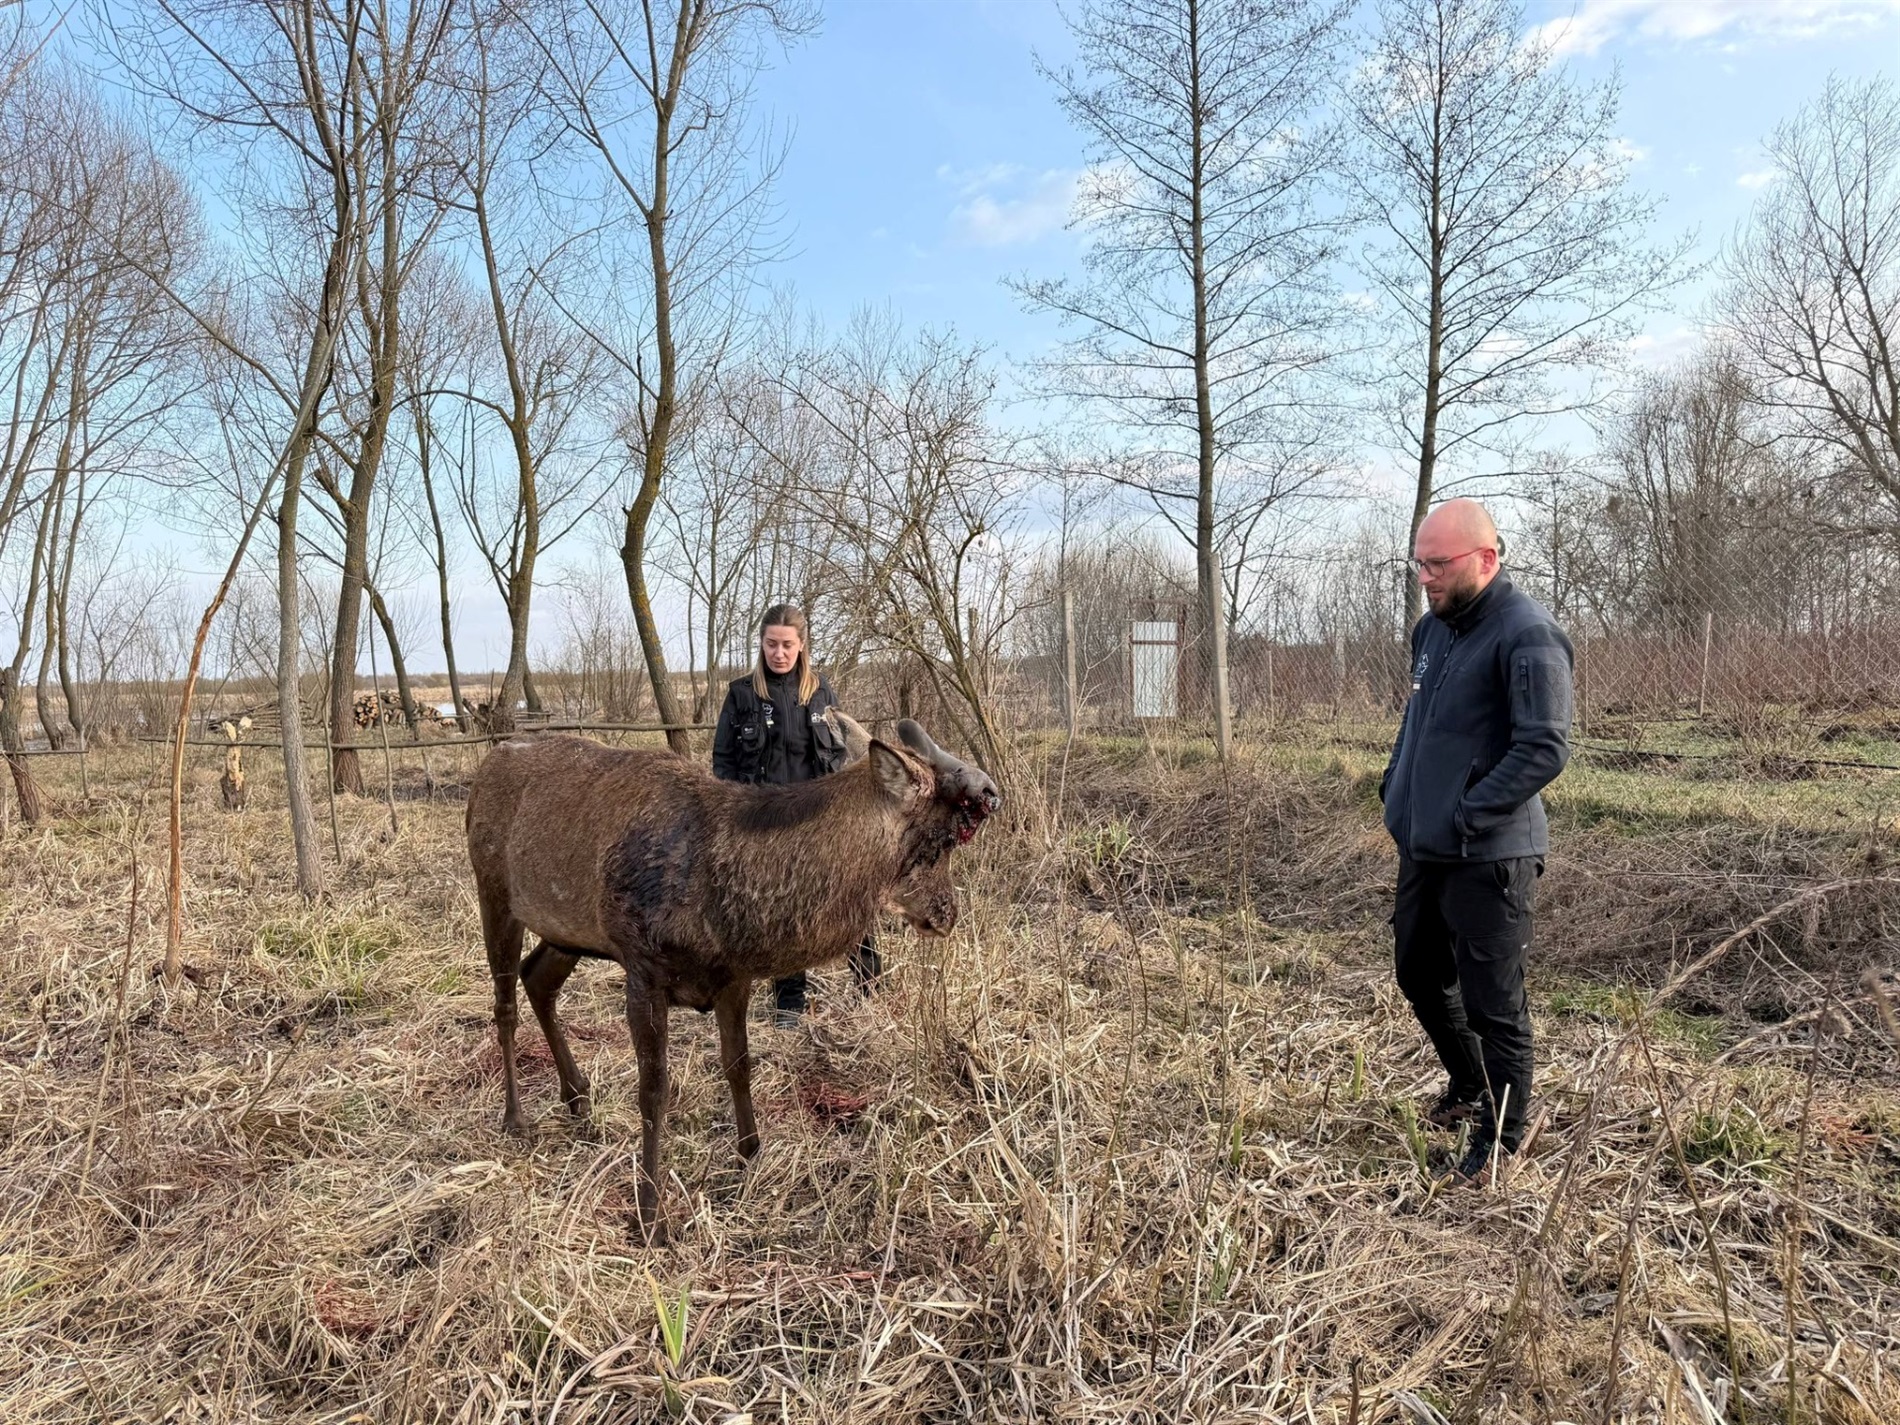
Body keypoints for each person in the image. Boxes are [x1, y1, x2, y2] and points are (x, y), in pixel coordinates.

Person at [1380, 499, 1574, 1186]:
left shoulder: (1528, 635)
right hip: (1423, 844)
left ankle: (1501, 1140)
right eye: (1420, 562)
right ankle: (1468, 1086)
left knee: (1496, 1005)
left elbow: (1545, 747)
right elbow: (1419, 722)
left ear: (1487, 559)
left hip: (1489, 855)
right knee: (1417, 972)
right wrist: (1395, 784)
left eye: (1439, 563)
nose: (1425, 575)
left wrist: (1467, 811)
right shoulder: (1431, 632)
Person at [712, 603, 881, 1026]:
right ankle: (789, 1004)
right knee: (782, 915)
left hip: (819, 820)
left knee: (847, 898)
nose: (779, 653)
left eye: (787, 645)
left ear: (802, 646)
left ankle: (870, 986)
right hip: (764, 824)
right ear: (762, 644)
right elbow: (723, 762)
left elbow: (839, 758)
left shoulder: (822, 693)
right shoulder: (743, 695)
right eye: (771, 644)